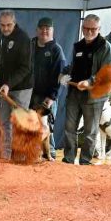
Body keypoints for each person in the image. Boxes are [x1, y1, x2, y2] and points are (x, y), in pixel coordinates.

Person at [61, 14, 111, 165]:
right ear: (82, 28)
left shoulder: (105, 47)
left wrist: (90, 81)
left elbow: (109, 72)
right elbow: (73, 66)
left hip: (94, 97)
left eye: (93, 29)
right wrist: (64, 74)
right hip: (74, 93)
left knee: (90, 132)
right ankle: (68, 159)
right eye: (86, 28)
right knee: (69, 128)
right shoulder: (78, 46)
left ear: (99, 29)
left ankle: (85, 161)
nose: (89, 31)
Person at [0, 9, 33, 160]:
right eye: (2, 25)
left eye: (8, 25)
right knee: (3, 122)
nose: (5, 28)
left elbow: (26, 68)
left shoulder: (23, 39)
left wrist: (9, 84)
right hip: (3, 87)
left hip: (22, 87)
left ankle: (20, 158)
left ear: (14, 23)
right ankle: (5, 157)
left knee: (20, 123)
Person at [31, 17, 66, 159]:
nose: (44, 31)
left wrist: (52, 97)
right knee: (32, 126)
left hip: (47, 97)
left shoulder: (56, 50)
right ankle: (33, 152)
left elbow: (60, 76)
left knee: (46, 127)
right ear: (37, 29)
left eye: (48, 28)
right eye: (42, 28)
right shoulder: (30, 45)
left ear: (52, 31)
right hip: (30, 95)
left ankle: (49, 153)